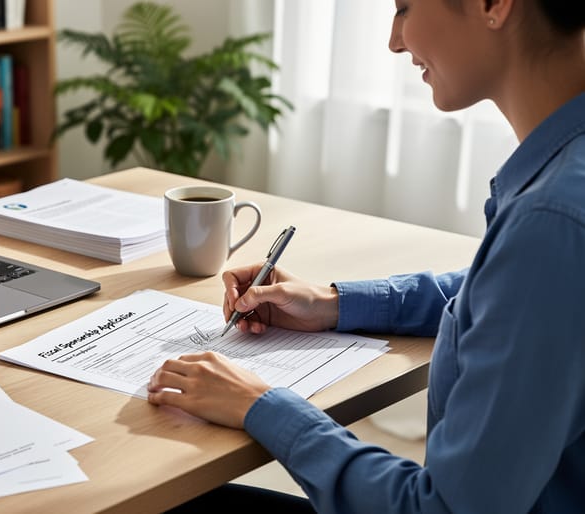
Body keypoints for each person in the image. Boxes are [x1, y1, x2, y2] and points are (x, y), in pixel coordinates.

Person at [147, 0, 585, 512]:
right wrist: (334, 303)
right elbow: (496, 293)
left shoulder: (551, 224)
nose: (395, 41)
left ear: (492, 4)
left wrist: (260, 405)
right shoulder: (560, 197)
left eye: (405, 8)